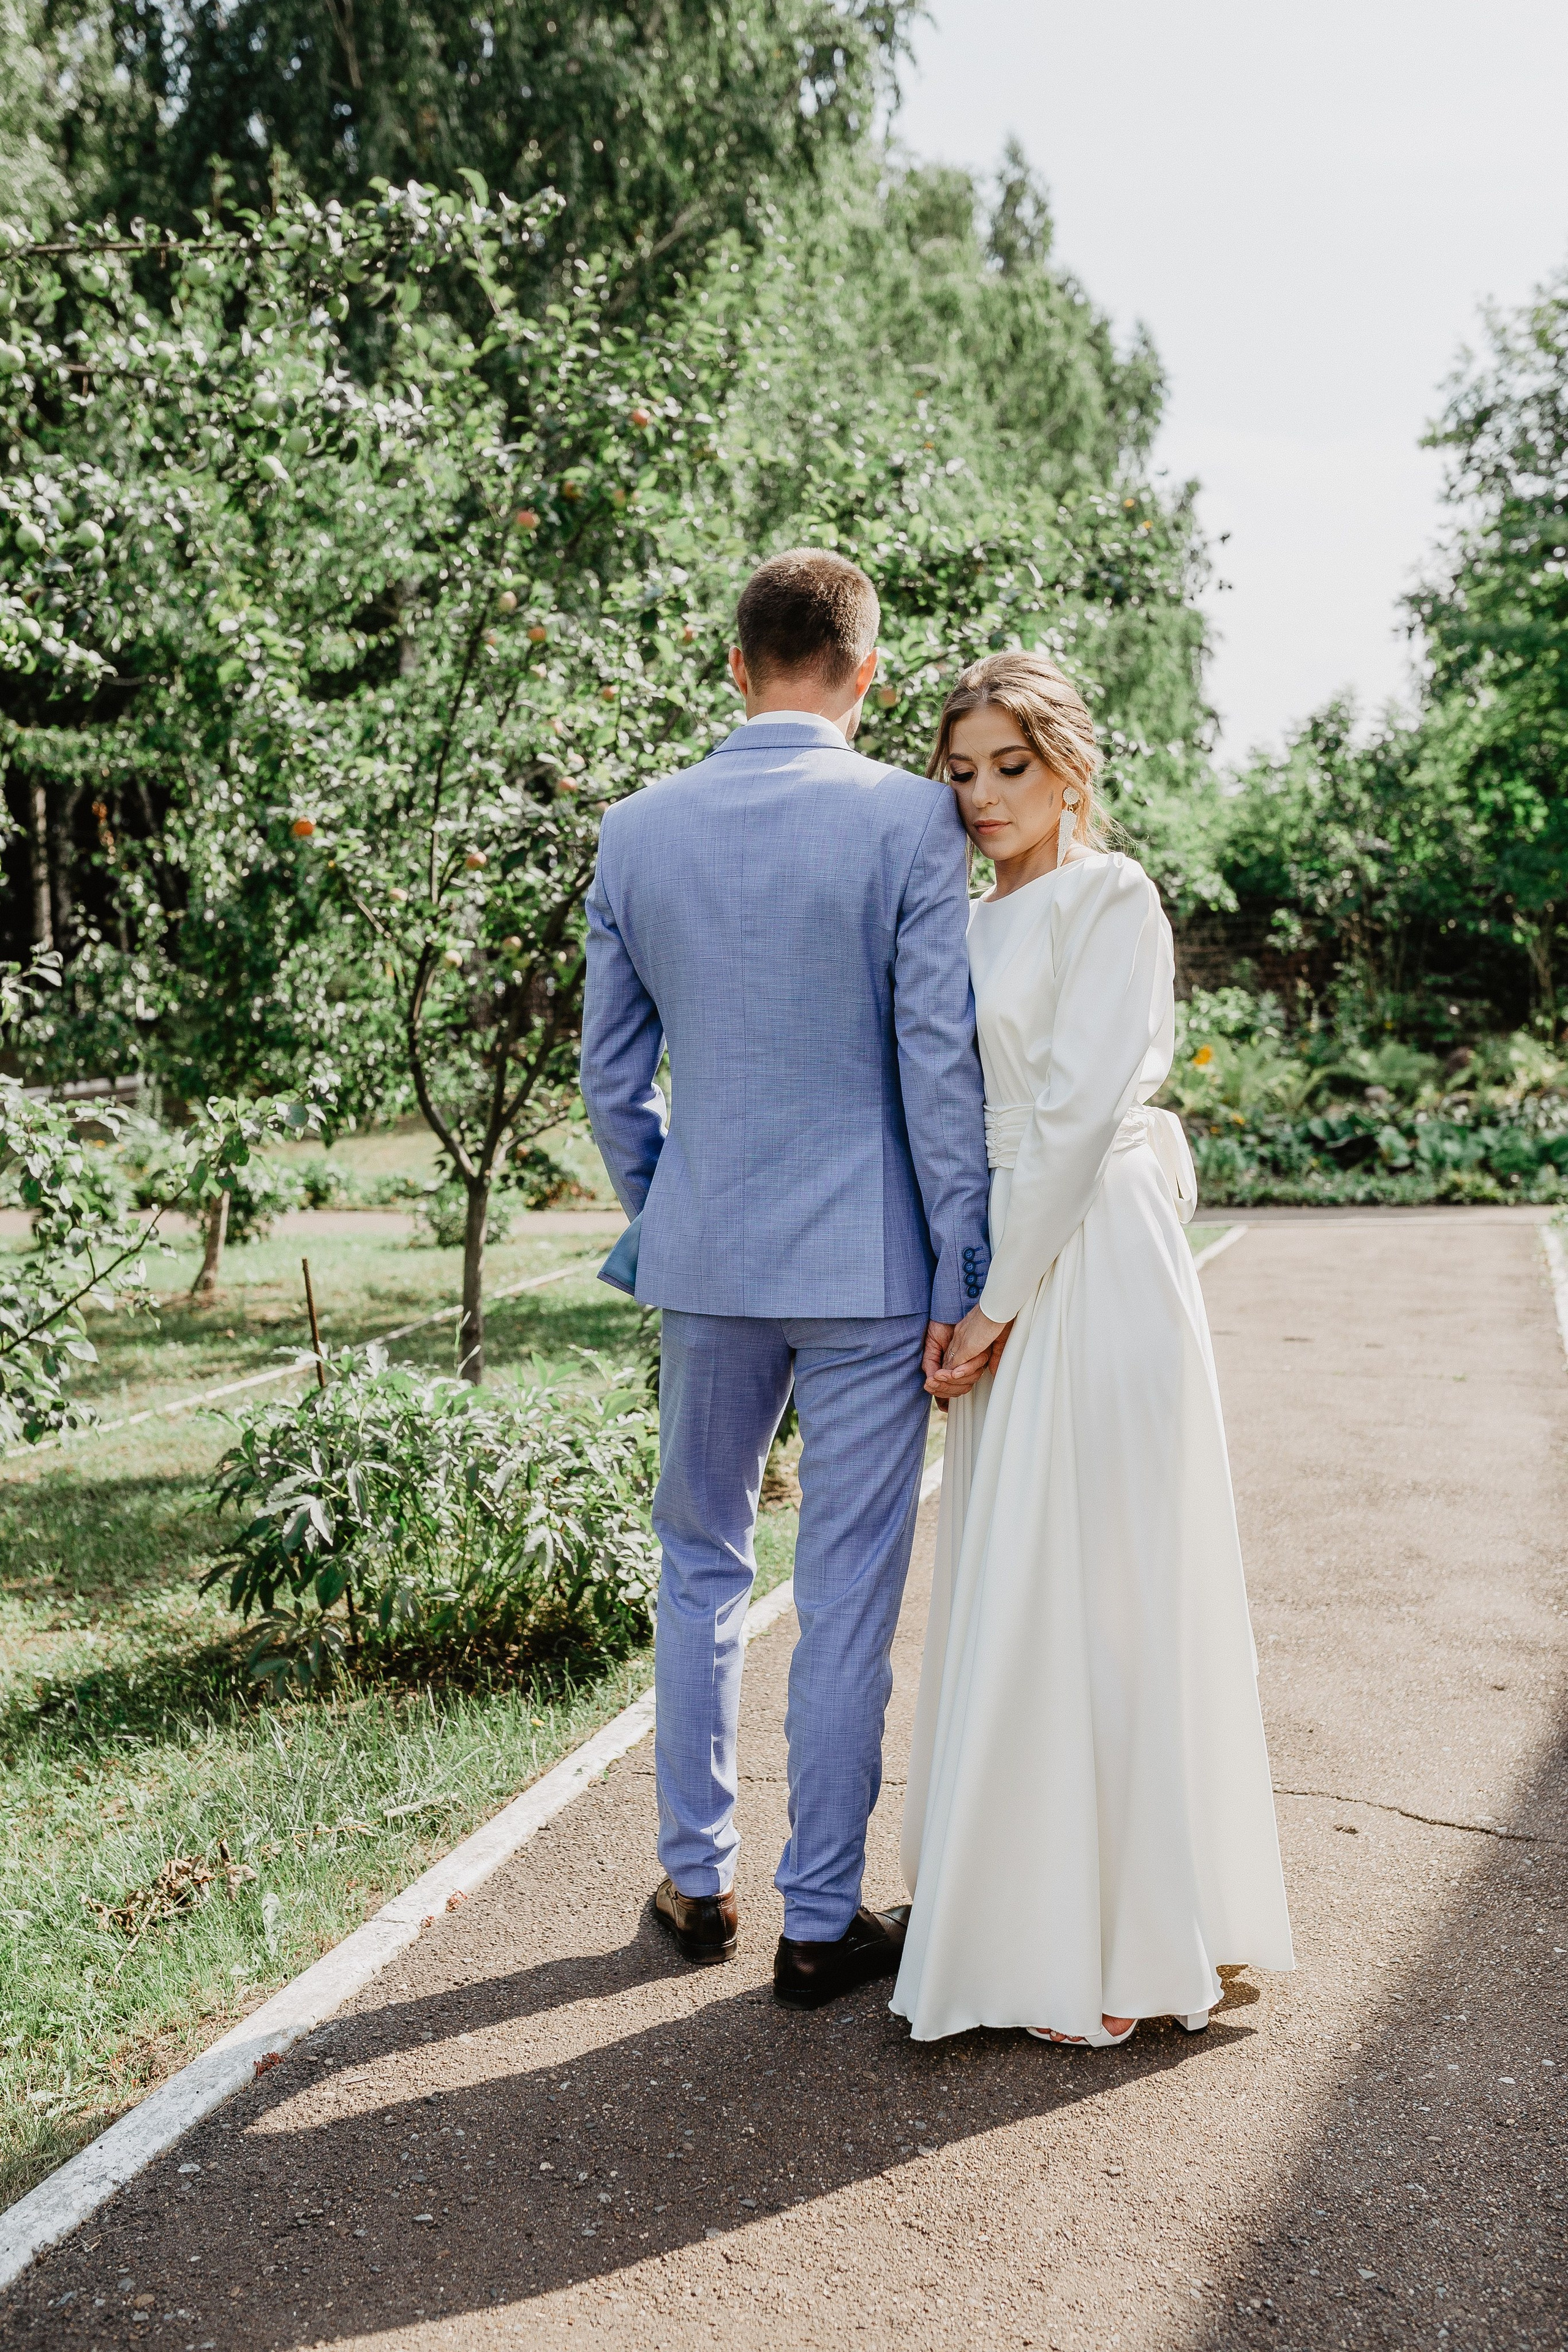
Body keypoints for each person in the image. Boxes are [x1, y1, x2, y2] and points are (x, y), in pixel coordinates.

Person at [579, 549, 992, 2010]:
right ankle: (819, 1921)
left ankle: (696, 1884)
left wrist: (670, 1205)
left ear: (734, 663)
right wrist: (966, 1268)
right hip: (876, 1270)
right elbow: (939, 1073)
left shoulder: (635, 831)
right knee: (847, 1592)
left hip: (707, 1260)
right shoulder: (907, 821)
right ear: (866, 672)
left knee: (696, 1561)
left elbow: (610, 1081)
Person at [891, 650, 1295, 2048]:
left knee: (1107, 1577)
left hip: (1086, 1257)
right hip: (1000, 1249)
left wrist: (994, 1299)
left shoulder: (1108, 898)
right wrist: (963, 1280)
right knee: (1018, 1579)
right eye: (961, 772)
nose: (984, 795)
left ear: (1066, 764)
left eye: (1010, 765)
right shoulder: (954, 917)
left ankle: (1122, 1941)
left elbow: (1071, 1114)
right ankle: (1018, 1914)